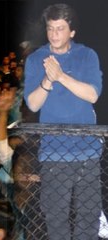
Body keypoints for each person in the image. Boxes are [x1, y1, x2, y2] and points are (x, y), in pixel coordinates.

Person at [23, 3, 103, 239]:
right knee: (55, 216)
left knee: (88, 216)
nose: (54, 34)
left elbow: (92, 94)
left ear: (72, 32)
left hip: (88, 150)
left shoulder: (87, 55)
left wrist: (61, 76)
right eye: (50, 28)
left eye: (60, 28)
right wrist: (48, 80)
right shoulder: (37, 58)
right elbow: (33, 104)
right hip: (53, 152)